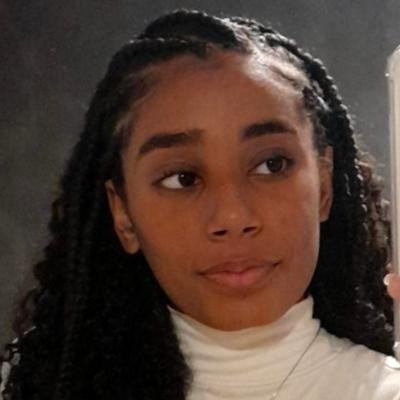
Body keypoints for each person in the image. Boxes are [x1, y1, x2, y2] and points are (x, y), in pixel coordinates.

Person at [1, 8, 400, 400]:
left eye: (271, 165)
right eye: (183, 179)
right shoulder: (31, 390)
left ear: (324, 187)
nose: (232, 217)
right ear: (123, 215)